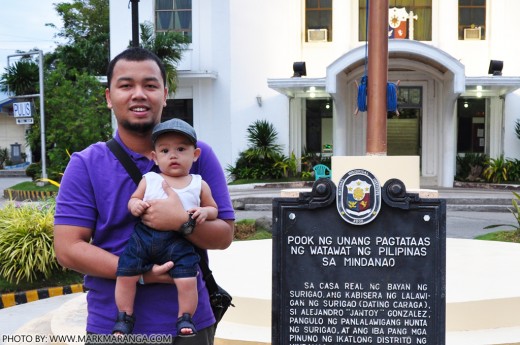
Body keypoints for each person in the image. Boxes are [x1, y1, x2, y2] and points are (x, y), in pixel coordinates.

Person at [54, 47, 235, 344]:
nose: (139, 94)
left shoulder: (198, 155)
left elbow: (224, 235)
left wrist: (181, 222)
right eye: (126, 85)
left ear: (165, 94)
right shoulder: (86, 164)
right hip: (112, 327)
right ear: (109, 97)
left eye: (150, 85)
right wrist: (141, 273)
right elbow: (68, 248)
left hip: (189, 326)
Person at [114, 118, 218, 337]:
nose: (173, 155)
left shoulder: (198, 183)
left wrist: (204, 212)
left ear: (195, 154)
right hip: (143, 239)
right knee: (125, 274)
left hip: (179, 241)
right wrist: (136, 205)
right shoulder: (150, 179)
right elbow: (133, 199)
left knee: (187, 279)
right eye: (165, 150)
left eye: (181, 149)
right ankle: (124, 316)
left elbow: (213, 209)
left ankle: (185, 316)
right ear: (155, 157)